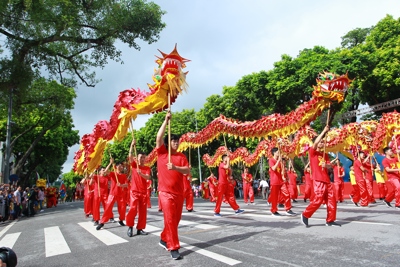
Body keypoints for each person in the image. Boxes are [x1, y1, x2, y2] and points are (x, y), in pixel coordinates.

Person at [156, 111, 190, 260]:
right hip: (165, 193)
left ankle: (164, 238)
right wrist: (166, 120)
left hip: (178, 193)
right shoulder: (162, 152)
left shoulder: (181, 156)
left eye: (177, 141)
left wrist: (175, 168)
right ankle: (174, 247)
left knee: (175, 221)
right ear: (168, 143)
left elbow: (187, 170)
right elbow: (158, 137)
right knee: (170, 219)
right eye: (173, 141)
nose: (176, 143)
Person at [301, 125, 340, 227]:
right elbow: (315, 143)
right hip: (318, 180)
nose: (323, 143)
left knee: (332, 200)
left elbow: (330, 166)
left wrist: (326, 165)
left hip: (327, 180)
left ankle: (330, 220)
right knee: (318, 200)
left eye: (323, 142)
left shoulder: (325, 155)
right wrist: (324, 131)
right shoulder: (312, 152)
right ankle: (305, 214)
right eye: (321, 142)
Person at [126, 138, 152, 237]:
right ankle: (130, 226)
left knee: (143, 212)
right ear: (137, 158)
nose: (142, 159)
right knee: (132, 209)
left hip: (143, 192)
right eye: (140, 157)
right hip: (134, 192)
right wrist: (132, 145)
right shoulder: (134, 165)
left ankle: (140, 229)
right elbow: (129, 156)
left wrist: (141, 174)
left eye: (143, 158)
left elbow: (148, 177)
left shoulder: (147, 168)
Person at [96, 159, 129, 230]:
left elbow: (126, 185)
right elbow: (105, 172)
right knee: (108, 208)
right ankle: (102, 222)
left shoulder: (123, 175)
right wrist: (110, 163)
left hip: (121, 194)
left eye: (122, 166)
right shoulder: (113, 174)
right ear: (116, 166)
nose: (121, 167)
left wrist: (121, 185)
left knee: (123, 208)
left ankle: (121, 220)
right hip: (112, 193)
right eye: (120, 166)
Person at [268, 148, 296, 216]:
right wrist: (278, 161)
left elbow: (281, 171)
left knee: (287, 194)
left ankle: (288, 209)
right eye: (278, 152)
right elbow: (274, 168)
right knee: (274, 197)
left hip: (281, 181)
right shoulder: (271, 160)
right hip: (274, 181)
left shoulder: (280, 162)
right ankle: (274, 211)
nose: (279, 153)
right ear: (274, 153)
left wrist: (283, 177)